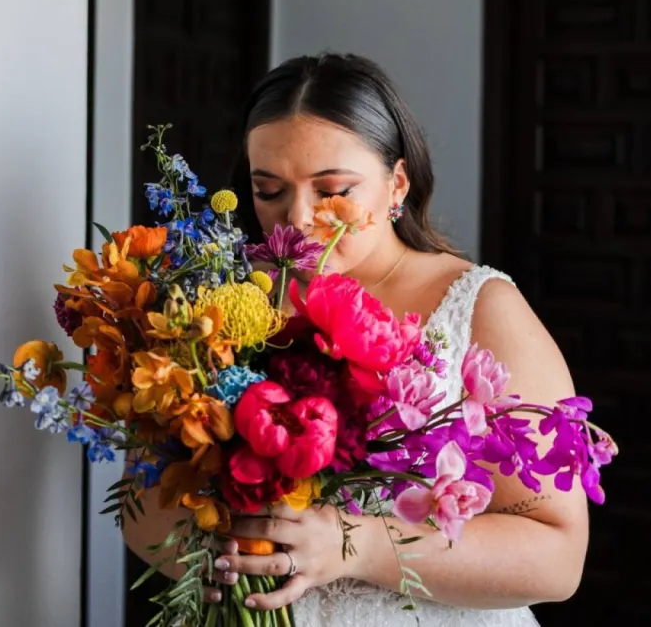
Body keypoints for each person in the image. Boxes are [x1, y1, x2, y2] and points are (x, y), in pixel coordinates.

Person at [122, 53, 589, 626]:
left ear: (397, 182)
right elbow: (142, 503)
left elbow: (559, 560)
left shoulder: (481, 308)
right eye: (268, 191)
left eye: (333, 190)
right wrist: (227, 552)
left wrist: (357, 544)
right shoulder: (219, 304)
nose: (297, 219)